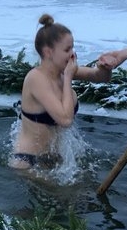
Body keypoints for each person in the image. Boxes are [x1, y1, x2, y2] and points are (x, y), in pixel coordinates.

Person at [10, 14, 112, 169]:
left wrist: (105, 67)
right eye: (67, 49)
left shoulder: (62, 71)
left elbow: (100, 77)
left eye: (72, 47)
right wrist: (69, 77)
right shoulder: (36, 79)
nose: (72, 54)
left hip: (54, 158)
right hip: (29, 163)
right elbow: (65, 120)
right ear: (48, 52)